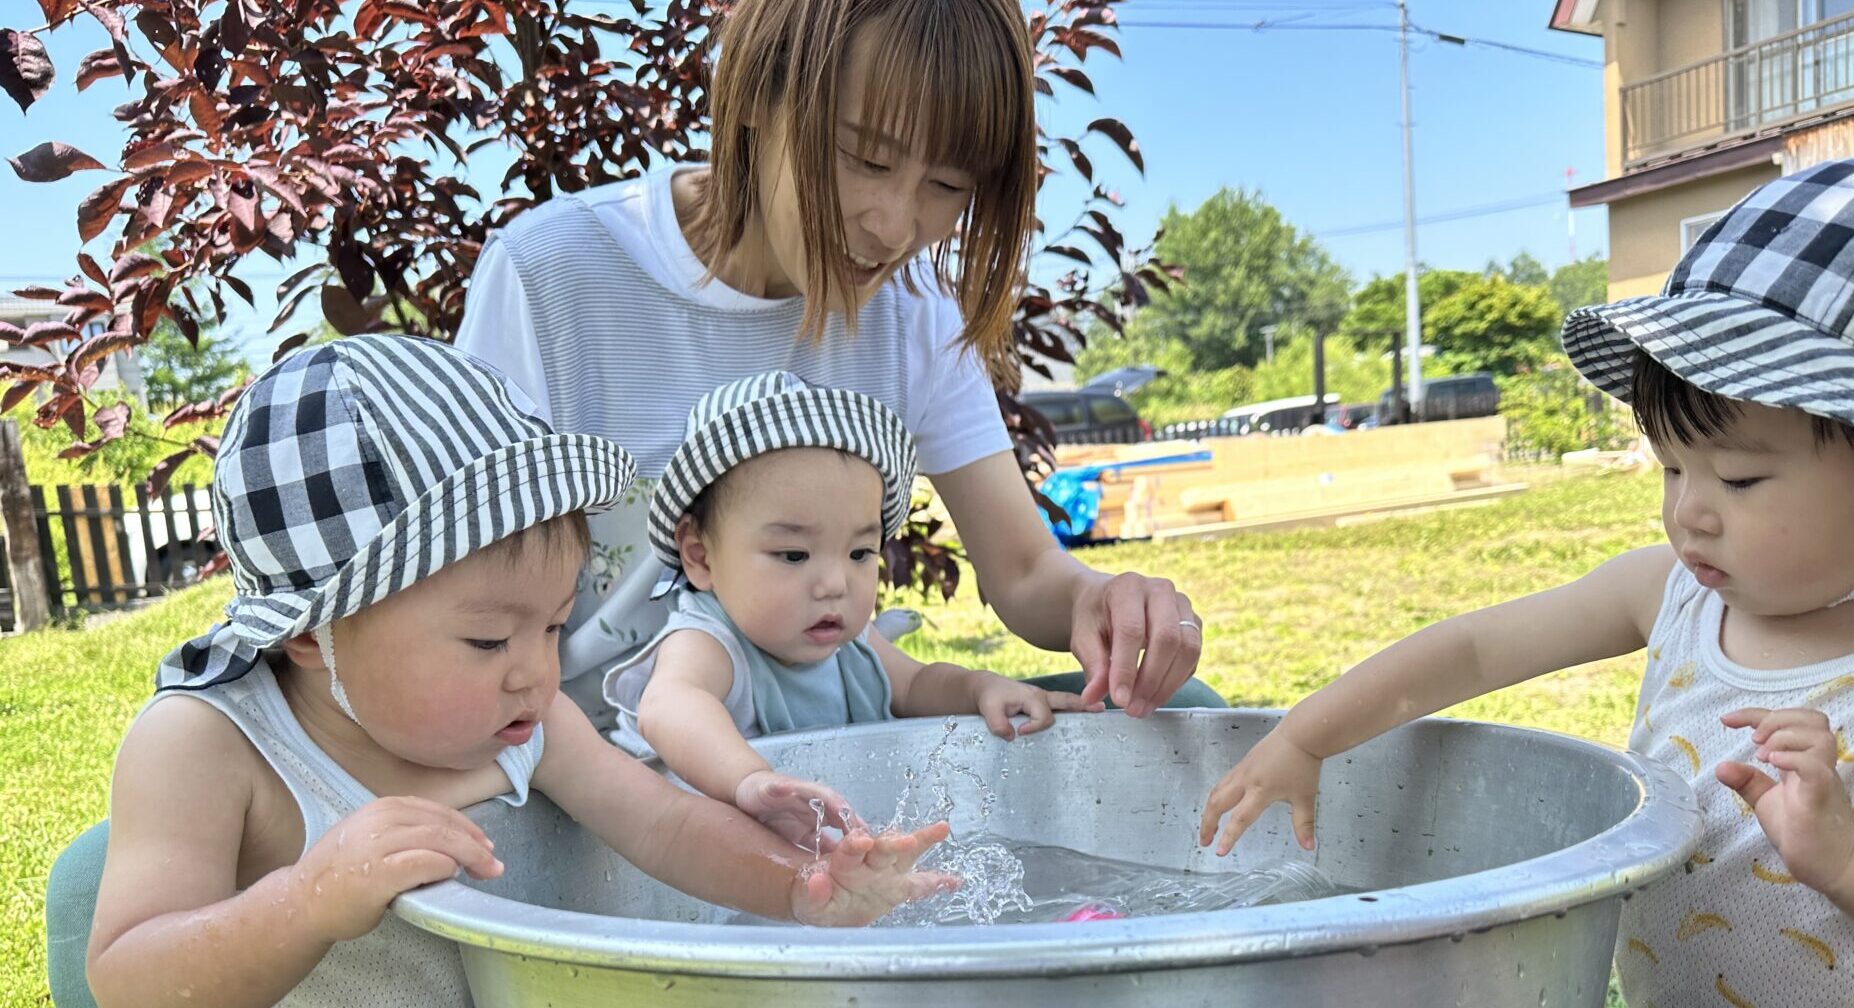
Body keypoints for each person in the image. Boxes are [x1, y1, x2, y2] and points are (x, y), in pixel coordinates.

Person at [1197, 156, 1854, 1006]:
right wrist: (1307, 736)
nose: (1691, 512)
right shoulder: (1673, 596)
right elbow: (1474, 648)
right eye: (1670, 469)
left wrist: (1849, 856)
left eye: (1739, 479)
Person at [82, 336, 954, 1008]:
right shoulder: (206, 748)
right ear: (311, 633)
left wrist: (805, 893)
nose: (538, 673)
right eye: (489, 643)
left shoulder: (529, 723)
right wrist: (306, 899)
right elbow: (127, 975)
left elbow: (664, 828)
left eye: (555, 624)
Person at [454, 0, 1221, 729]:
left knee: (1185, 717)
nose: (893, 226)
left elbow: (1024, 571)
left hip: (829, 735)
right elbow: (466, 617)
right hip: (607, 764)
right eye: (864, 159)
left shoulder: (914, 309)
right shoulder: (552, 275)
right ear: (756, 89)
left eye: (947, 185)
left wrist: (1103, 600)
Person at [605, 371, 1100, 844]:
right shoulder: (709, 643)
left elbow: (915, 685)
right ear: (700, 555)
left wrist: (980, 688)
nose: (835, 584)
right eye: (794, 555)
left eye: (861, 553)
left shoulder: (849, 641)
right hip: (700, 856)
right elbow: (668, 707)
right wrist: (749, 780)